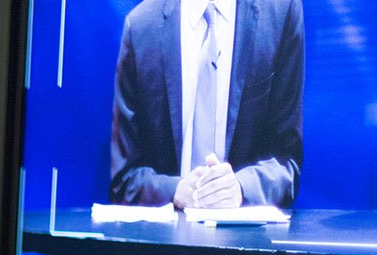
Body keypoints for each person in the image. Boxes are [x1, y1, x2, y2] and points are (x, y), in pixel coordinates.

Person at [109, 0, 303, 209]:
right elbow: (124, 180)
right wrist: (174, 191)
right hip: (166, 233)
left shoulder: (280, 12)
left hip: (245, 233)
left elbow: (287, 161)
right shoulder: (141, 25)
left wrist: (240, 188)